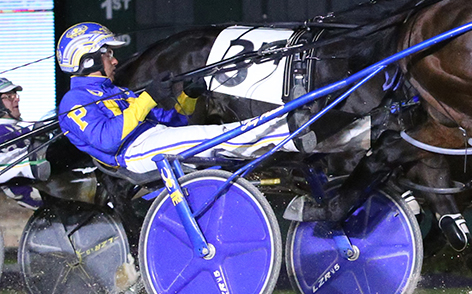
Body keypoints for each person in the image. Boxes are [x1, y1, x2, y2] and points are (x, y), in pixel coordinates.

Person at [56, 22, 301, 176]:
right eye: (108, 54)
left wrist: (189, 96)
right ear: (89, 60)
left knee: (218, 134)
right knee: (218, 136)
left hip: (154, 138)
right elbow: (107, 140)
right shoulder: (73, 101)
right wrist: (148, 98)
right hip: (134, 153)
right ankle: (293, 128)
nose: (115, 60)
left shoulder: (117, 91)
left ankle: (289, 125)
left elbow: (176, 123)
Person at [0, 77, 46, 208]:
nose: (17, 99)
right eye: (9, 96)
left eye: (15, 95)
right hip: (25, 204)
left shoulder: (22, 129)